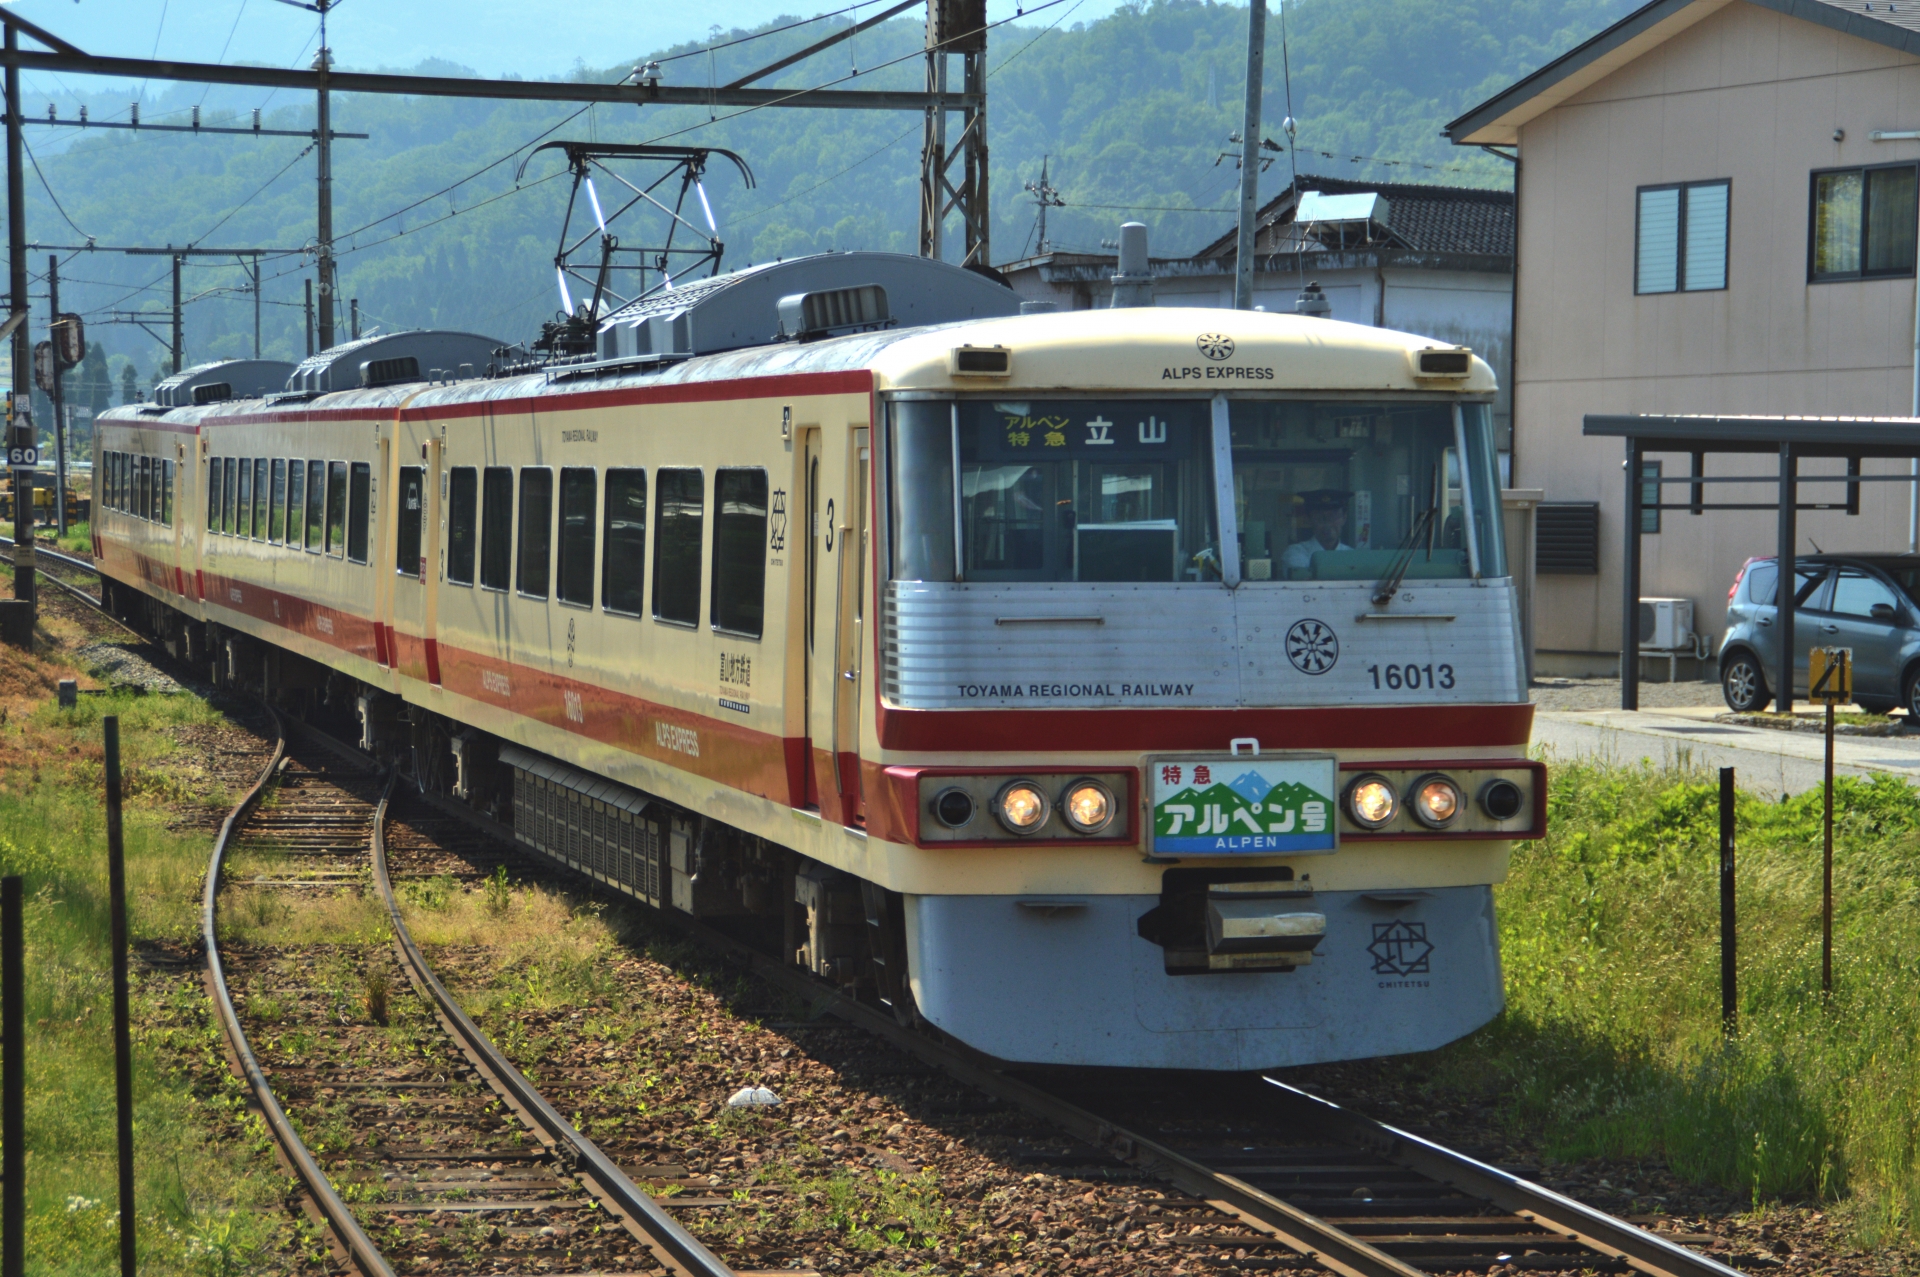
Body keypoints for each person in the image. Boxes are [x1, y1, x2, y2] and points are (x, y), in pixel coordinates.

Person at [1280, 489, 1353, 572]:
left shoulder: (1353, 555)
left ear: (1344, 518)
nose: (1327, 524)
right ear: (1308, 519)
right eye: (1320, 518)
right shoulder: (1296, 553)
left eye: (1333, 517)